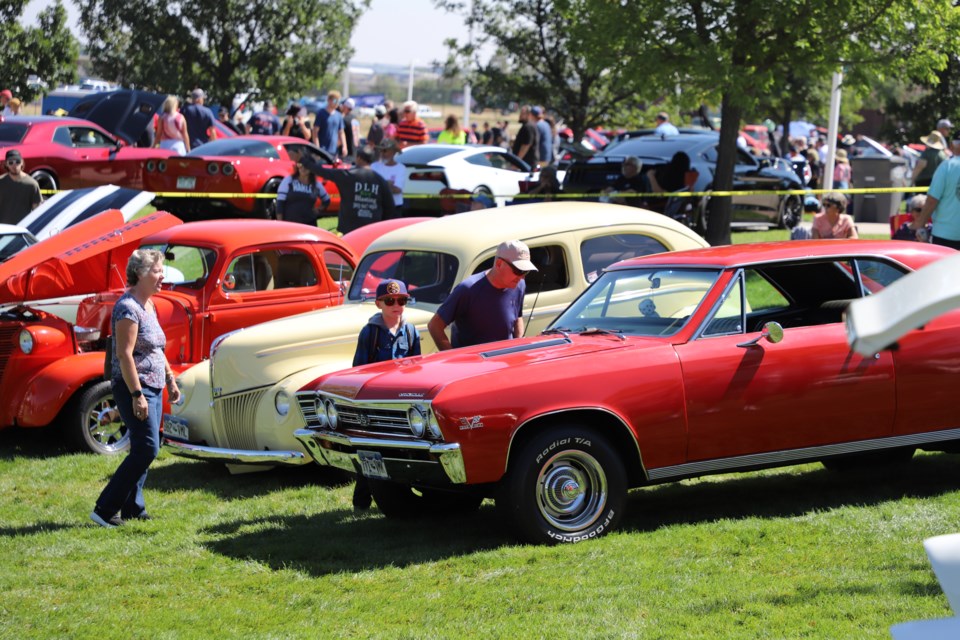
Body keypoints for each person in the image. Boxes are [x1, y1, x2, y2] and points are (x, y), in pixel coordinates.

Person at [90, 249, 181, 527]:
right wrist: (137, 394)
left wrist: (170, 378)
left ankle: (133, 508)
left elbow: (155, 347)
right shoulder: (127, 307)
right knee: (147, 449)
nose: (162, 275)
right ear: (140, 274)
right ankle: (104, 509)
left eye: (161, 270)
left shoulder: (149, 305)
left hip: (154, 386)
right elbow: (125, 355)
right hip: (134, 387)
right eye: (157, 271)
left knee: (144, 447)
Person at [350, 278, 421, 509]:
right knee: (370, 451)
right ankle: (361, 500)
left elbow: (418, 370)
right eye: (390, 300)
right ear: (378, 304)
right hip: (374, 403)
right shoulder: (370, 333)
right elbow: (358, 371)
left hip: (401, 402)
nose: (396, 305)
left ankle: (398, 497)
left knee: (399, 449)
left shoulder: (411, 332)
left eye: (401, 300)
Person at [428, 239, 537, 350]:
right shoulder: (468, 289)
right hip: (475, 365)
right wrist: (452, 356)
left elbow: (517, 317)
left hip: (505, 362)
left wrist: (518, 344)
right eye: (518, 270)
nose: (522, 277)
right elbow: (435, 326)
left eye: (526, 271)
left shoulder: (519, 285)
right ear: (499, 264)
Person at [289, 145, 397, 234]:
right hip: (372, 230)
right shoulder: (380, 180)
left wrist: (302, 160)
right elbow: (390, 207)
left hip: (350, 229)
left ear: (358, 158)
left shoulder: (347, 175)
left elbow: (322, 171)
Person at [911, 153, 960, 248]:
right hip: (946, 234)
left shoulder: (948, 165)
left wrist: (920, 227)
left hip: (945, 235)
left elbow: (932, 200)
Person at [275, 159, 331, 226]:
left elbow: (327, 200)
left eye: (306, 166)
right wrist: (280, 224)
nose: (303, 168)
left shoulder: (316, 184)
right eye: (300, 165)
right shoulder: (288, 181)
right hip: (290, 224)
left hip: (310, 224)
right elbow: (280, 204)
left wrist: (318, 210)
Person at [0, 149, 43, 225]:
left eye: (17, 161)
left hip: (22, 230)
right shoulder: (1, 182)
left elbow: (37, 211)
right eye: (11, 162)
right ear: (6, 164)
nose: (14, 165)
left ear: (22, 162)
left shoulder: (32, 184)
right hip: (3, 230)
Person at [370, 138, 406, 209]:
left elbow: (397, 190)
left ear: (393, 152)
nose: (382, 153)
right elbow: (370, 187)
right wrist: (387, 184)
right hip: (377, 206)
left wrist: (379, 185)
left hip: (394, 206)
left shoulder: (401, 168)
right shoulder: (374, 166)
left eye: (385, 150)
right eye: (380, 150)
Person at [311, 91, 345, 156]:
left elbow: (341, 132)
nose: (337, 103)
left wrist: (344, 146)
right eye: (335, 101)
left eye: (338, 101)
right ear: (329, 100)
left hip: (334, 150)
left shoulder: (339, 115)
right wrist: (317, 147)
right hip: (322, 149)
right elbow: (315, 132)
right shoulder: (321, 113)